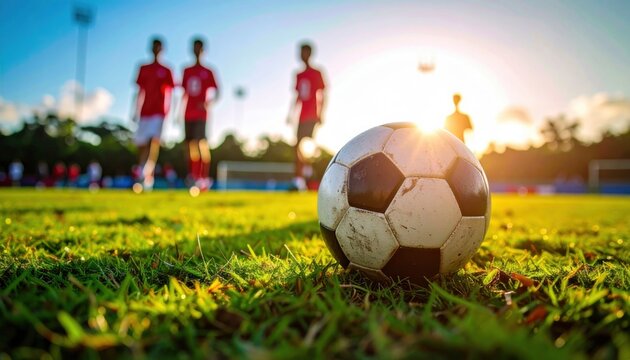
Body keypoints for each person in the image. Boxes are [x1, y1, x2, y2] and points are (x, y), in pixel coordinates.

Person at [131, 37, 174, 191]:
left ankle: (146, 174)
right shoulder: (143, 68)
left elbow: (171, 93)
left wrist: (171, 113)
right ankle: (142, 169)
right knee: (141, 144)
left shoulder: (167, 70)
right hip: (144, 111)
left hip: (159, 112)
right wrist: (134, 110)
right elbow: (139, 91)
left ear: (162, 49)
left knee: (152, 141)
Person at [180, 37, 219, 191]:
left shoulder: (208, 71)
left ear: (203, 50)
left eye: (199, 48)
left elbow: (217, 91)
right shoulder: (186, 70)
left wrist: (209, 103)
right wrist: (178, 113)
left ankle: (203, 177)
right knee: (190, 145)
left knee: (200, 142)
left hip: (201, 114)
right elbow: (184, 94)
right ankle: (193, 176)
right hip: (188, 113)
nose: (197, 51)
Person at [287, 42, 326, 191]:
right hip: (301, 116)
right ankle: (299, 179)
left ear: (309, 53)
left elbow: (322, 94)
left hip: (312, 115)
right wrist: (291, 114)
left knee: (307, 146)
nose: (301, 55)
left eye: (304, 52)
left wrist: (321, 114)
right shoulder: (298, 74)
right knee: (297, 146)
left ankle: (309, 176)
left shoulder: (316, 73)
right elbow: (297, 96)